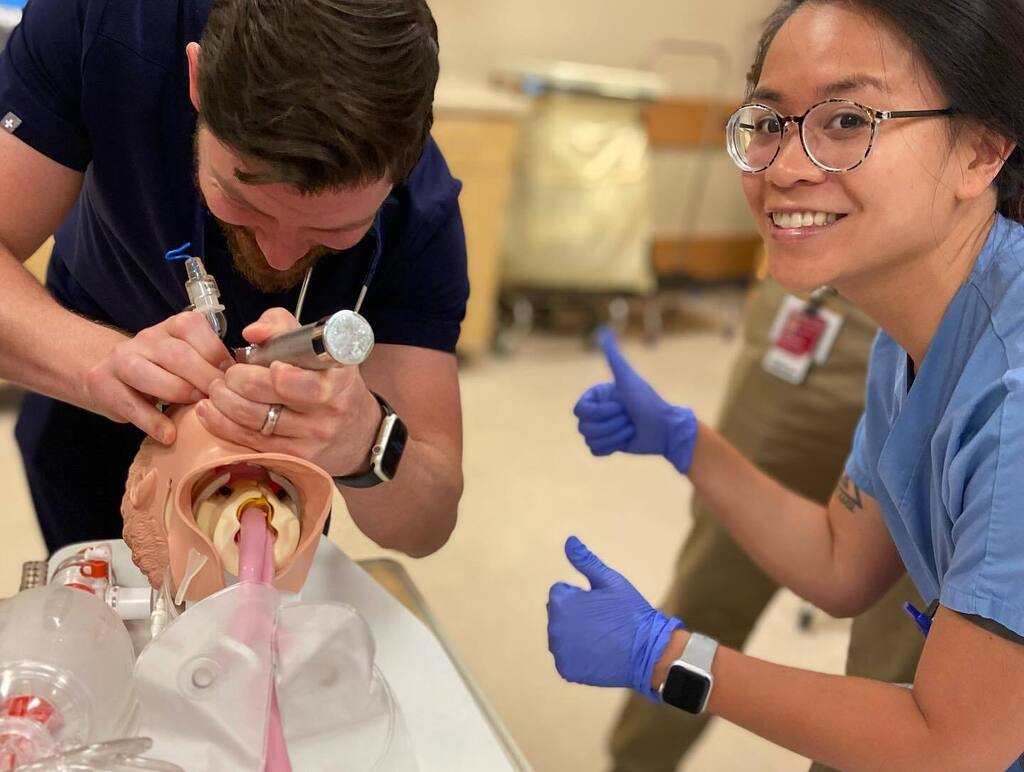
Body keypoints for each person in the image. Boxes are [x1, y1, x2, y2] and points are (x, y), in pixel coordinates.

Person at [548, 1, 1024, 768]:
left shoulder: (1011, 397)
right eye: (769, 123)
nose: (784, 167)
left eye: (847, 121)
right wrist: (687, 442)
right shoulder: (915, 334)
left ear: (982, 151)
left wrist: (662, 655)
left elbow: (951, 742)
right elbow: (841, 561)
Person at [0, 0, 466, 557]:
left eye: (336, 229)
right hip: (88, 391)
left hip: (277, 470)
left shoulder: (421, 211)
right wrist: (95, 361)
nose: (279, 256)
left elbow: (427, 523)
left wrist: (364, 441)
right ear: (195, 79)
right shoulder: (111, 24)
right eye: (242, 201)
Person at [608, 276, 926, 772]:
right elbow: (836, 562)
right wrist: (688, 444)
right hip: (841, 307)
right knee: (712, 583)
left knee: (902, 671)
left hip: (968, 336)